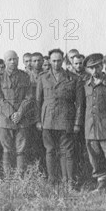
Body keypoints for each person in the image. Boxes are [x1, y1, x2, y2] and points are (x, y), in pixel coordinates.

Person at [36, 49, 84, 187]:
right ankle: (52, 180)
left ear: (63, 60)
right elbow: (38, 101)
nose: (56, 63)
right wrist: (38, 120)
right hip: (48, 120)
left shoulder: (74, 78)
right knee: (50, 151)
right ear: (50, 61)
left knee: (67, 152)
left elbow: (79, 103)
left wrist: (77, 123)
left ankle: (68, 181)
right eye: (54, 61)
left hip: (66, 120)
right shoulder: (42, 77)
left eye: (59, 60)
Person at [80, 53, 106, 194]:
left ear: (101, 66)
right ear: (87, 70)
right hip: (90, 128)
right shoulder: (85, 84)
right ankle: (102, 185)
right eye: (91, 68)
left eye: (97, 67)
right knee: (95, 158)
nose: (95, 71)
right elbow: (82, 106)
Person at [0, 51, 35, 175]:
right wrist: (11, 113)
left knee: (21, 149)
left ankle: (20, 177)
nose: (12, 62)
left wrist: (20, 113)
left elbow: (29, 97)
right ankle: (8, 177)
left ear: (18, 60)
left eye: (14, 59)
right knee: (7, 149)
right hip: (5, 120)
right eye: (10, 59)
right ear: (5, 61)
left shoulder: (25, 76)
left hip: (22, 119)